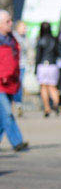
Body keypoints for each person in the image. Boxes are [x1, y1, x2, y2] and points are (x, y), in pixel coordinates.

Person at [0, 11, 28, 151]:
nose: (11, 23)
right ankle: (17, 142)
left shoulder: (12, 39)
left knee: (1, 117)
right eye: (7, 21)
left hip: (10, 82)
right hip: (0, 83)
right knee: (7, 113)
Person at [34, 22, 61, 117]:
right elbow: (59, 52)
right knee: (53, 87)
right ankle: (56, 103)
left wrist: (35, 68)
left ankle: (47, 108)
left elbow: (38, 56)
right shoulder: (55, 40)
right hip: (53, 65)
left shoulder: (40, 40)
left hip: (43, 65)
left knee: (44, 87)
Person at [12, 20, 30, 116]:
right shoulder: (13, 37)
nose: (25, 30)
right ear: (17, 28)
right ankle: (14, 103)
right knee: (14, 84)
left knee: (19, 84)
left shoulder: (25, 38)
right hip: (14, 65)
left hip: (22, 64)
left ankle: (18, 103)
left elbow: (28, 50)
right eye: (23, 27)